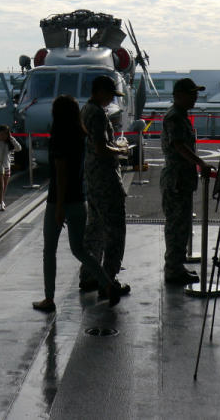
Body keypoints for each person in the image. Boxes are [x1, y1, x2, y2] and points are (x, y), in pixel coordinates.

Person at [32, 95, 120, 312]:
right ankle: (107, 283)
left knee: (49, 251)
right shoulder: (81, 135)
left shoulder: (58, 137)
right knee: (79, 250)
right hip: (79, 199)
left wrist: (59, 206)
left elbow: (60, 173)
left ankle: (49, 298)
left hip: (58, 200)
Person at [78, 74, 130, 298]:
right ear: (99, 91)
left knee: (95, 231)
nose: (111, 99)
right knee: (115, 231)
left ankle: (90, 276)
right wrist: (121, 150)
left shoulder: (85, 111)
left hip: (93, 179)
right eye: (109, 94)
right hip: (106, 180)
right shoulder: (98, 114)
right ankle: (108, 280)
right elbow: (101, 148)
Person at [160, 78, 216, 285]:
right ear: (178, 96)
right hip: (176, 179)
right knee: (176, 225)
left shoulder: (181, 116)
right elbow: (178, 145)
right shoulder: (175, 117)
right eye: (191, 93)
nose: (195, 97)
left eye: (196, 93)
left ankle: (176, 265)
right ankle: (173, 269)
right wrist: (200, 162)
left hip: (181, 179)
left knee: (181, 224)